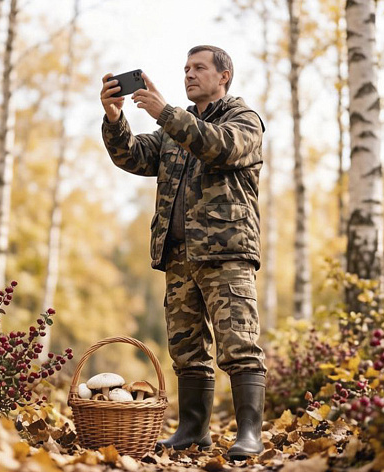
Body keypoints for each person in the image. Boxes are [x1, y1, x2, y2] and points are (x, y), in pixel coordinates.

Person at [99, 45, 266, 459]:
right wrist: (115, 118)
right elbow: (132, 156)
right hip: (179, 257)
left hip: (226, 254)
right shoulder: (175, 130)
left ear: (224, 75)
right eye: (185, 68)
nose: (189, 74)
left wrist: (164, 112)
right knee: (187, 350)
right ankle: (193, 431)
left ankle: (250, 434)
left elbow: (219, 147)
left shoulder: (242, 119)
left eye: (199, 68)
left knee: (238, 344)